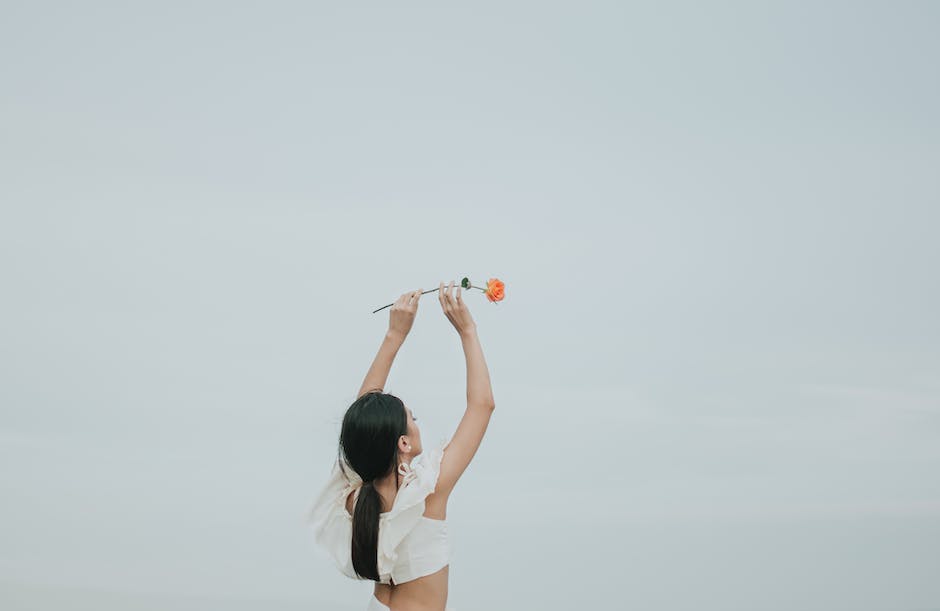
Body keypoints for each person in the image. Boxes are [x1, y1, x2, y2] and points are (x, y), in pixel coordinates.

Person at [309, 280, 496, 611]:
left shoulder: (356, 495)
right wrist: (467, 330)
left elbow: (364, 418)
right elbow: (482, 405)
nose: (417, 422)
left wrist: (394, 335)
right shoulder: (426, 493)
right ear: (404, 443)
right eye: (414, 418)